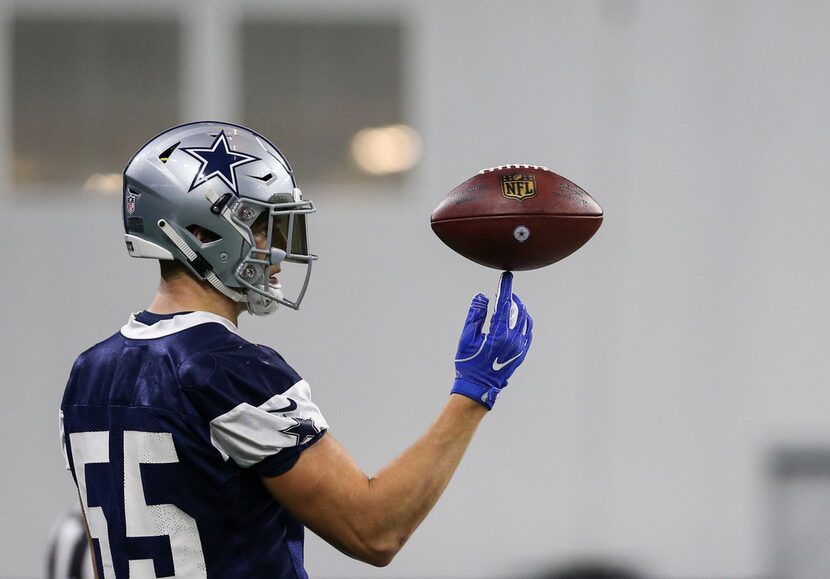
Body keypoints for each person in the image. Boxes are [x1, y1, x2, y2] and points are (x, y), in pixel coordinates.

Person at [59, 121, 533, 577]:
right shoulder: (227, 369)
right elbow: (374, 530)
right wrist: (474, 393)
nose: (279, 252)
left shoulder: (88, 373)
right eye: (261, 225)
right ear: (201, 234)